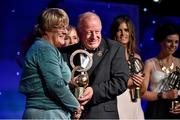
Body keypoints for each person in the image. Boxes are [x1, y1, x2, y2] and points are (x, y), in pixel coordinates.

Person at [60, 12, 129, 119]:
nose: (94, 37)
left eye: (97, 32)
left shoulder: (115, 49)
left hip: (103, 115)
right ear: (79, 32)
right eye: (89, 32)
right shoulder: (66, 53)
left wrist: (94, 91)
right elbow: (59, 84)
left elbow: (121, 81)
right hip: (72, 115)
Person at [18, 8, 82, 119]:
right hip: (46, 113)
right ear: (47, 29)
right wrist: (76, 106)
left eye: (65, 27)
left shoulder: (48, 49)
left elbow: (54, 81)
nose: (65, 31)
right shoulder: (45, 49)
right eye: (61, 27)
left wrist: (71, 83)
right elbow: (56, 85)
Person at [109, 15, 145, 119]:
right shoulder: (109, 57)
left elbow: (142, 91)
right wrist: (127, 82)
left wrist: (140, 83)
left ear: (131, 33)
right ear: (114, 33)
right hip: (118, 102)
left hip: (135, 103)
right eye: (119, 30)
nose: (123, 34)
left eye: (126, 30)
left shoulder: (137, 57)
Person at [142, 23, 180, 119]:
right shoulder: (150, 63)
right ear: (161, 41)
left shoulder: (179, 62)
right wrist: (164, 95)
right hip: (156, 109)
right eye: (169, 41)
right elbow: (143, 93)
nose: (173, 45)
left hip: (176, 108)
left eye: (176, 42)